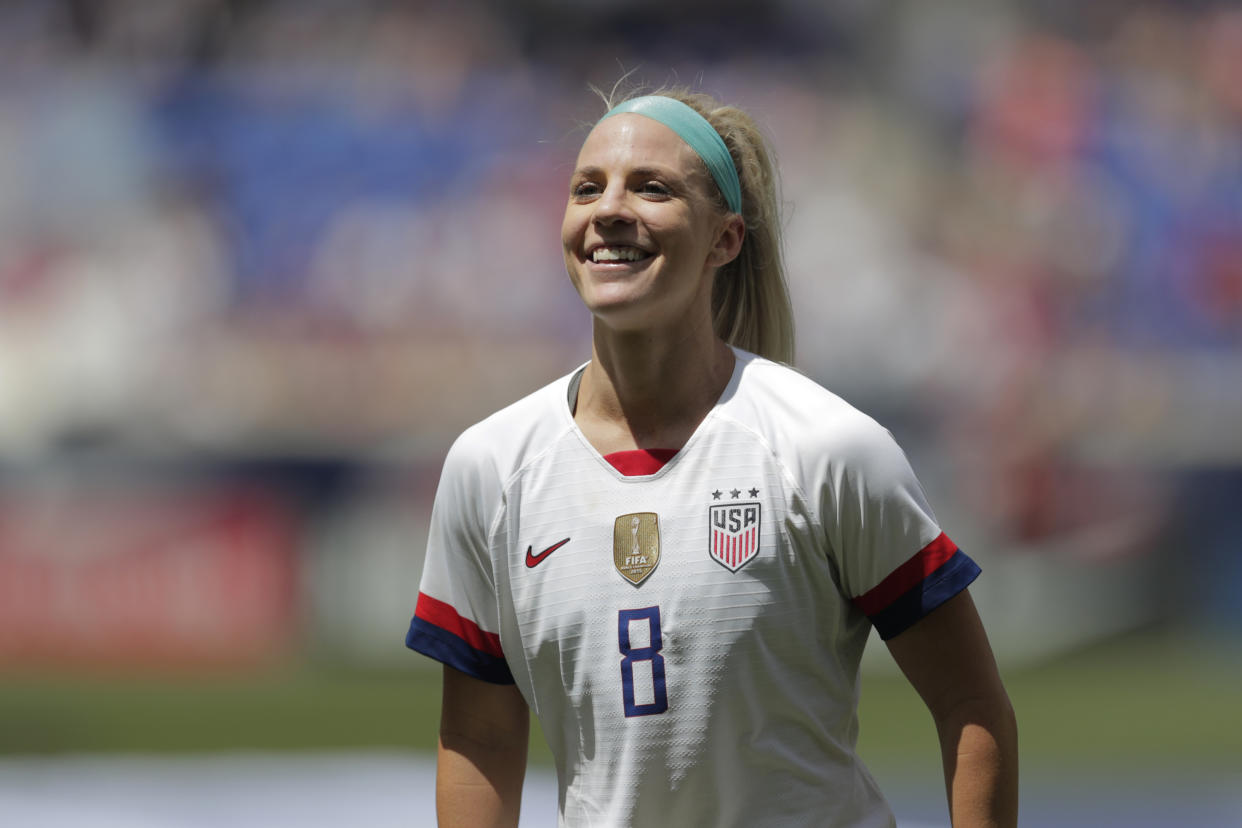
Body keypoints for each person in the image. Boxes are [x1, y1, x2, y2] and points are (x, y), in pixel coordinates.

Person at [406, 86, 1019, 827]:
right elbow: (478, 735)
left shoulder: (826, 448)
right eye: (586, 188)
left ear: (725, 240)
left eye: (652, 188)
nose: (608, 209)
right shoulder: (492, 467)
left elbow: (970, 704)